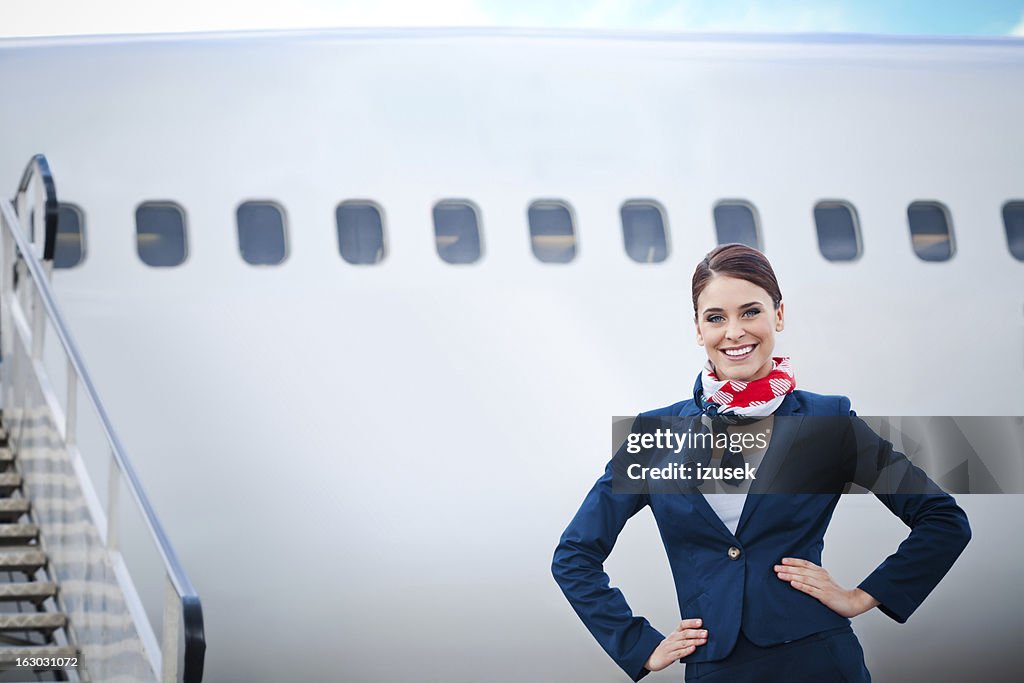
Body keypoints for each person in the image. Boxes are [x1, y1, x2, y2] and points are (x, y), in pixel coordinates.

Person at [551, 243, 971, 682]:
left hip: (818, 660)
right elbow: (574, 555)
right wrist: (639, 645)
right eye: (716, 318)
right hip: (716, 668)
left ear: (779, 316)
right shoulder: (654, 436)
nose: (734, 332)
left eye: (750, 312)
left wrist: (863, 596)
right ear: (698, 329)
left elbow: (942, 519)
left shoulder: (827, 421)